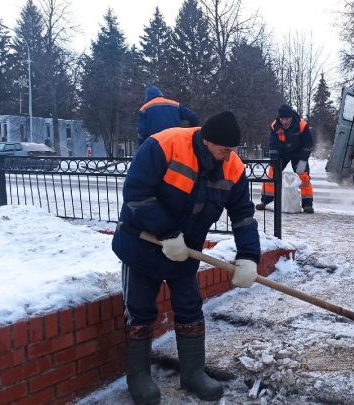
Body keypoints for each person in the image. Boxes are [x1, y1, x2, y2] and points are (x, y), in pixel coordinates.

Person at [112, 111, 260, 404]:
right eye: (224, 150)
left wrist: (248, 256)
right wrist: (167, 233)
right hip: (142, 241)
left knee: (189, 307)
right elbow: (137, 193)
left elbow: (243, 215)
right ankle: (139, 377)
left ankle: (193, 373)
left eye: (233, 151)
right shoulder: (164, 145)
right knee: (140, 310)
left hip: (185, 249)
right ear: (206, 140)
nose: (229, 156)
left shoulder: (232, 167)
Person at [256, 104, 315, 213]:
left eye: (287, 119)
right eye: (282, 119)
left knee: (303, 176)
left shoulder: (301, 125)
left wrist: (303, 160)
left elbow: (308, 145)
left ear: (291, 117)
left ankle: (307, 204)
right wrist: (274, 161)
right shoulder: (274, 126)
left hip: (298, 153)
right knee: (271, 175)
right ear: (279, 118)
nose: (284, 122)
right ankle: (266, 201)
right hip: (282, 152)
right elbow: (273, 146)